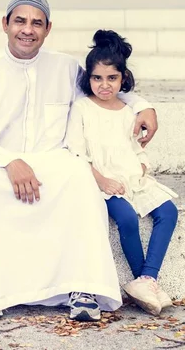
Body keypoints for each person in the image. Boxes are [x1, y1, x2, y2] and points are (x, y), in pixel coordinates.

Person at [0, 0, 159, 322]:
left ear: (48, 28)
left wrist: (142, 106)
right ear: (5, 24)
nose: (27, 30)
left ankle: (81, 287)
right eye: (20, 21)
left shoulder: (65, 67)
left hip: (53, 162)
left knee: (78, 175)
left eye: (36, 23)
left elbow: (104, 90)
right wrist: (10, 162)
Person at [65, 29, 178, 316]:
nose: (104, 85)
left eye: (112, 78)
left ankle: (147, 278)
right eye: (97, 78)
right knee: (126, 218)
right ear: (87, 79)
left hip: (132, 178)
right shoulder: (81, 108)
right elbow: (77, 152)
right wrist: (101, 179)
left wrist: (141, 166)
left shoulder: (129, 110)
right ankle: (144, 279)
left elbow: (137, 148)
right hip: (102, 182)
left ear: (123, 79)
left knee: (168, 211)